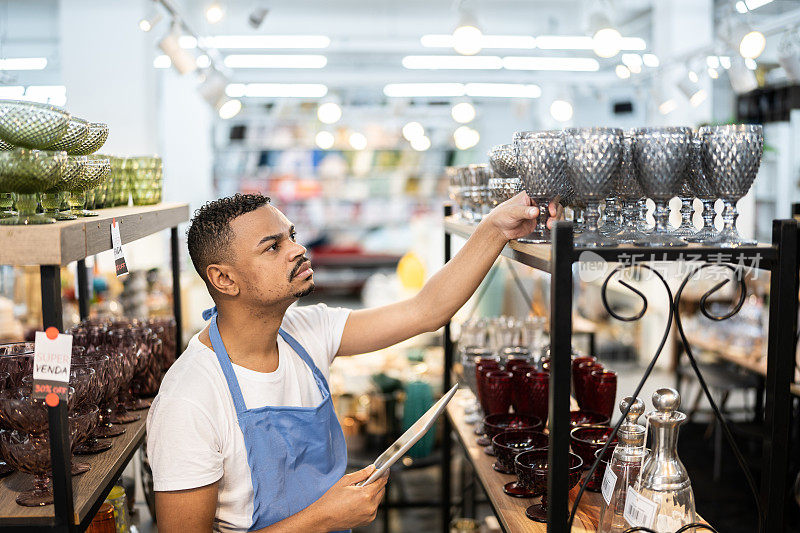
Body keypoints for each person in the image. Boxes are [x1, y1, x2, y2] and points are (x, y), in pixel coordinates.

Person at [146, 191, 559, 532]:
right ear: (224, 279)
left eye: (290, 236)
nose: (298, 249)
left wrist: (496, 227)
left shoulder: (306, 331)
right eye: (273, 247)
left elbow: (426, 311)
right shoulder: (190, 400)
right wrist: (324, 517)